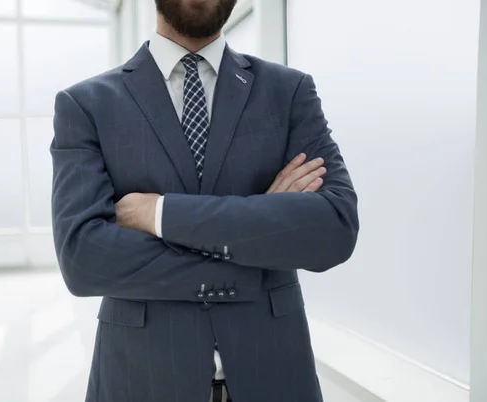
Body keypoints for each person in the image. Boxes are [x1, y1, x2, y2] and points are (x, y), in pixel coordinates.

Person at [50, 0, 359, 401]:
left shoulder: (288, 91)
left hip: (277, 377)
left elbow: (334, 229)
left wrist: (159, 213)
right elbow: (83, 259)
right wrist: (263, 230)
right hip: (141, 381)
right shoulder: (86, 105)